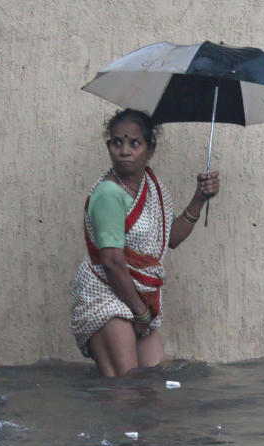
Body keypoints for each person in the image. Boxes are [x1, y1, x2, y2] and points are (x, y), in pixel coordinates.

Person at [70, 109, 220, 377]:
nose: (125, 150)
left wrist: (199, 199)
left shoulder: (153, 187)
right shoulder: (108, 194)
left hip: (138, 299)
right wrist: (141, 313)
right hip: (105, 294)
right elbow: (112, 261)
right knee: (124, 389)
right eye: (117, 143)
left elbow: (169, 239)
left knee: (154, 382)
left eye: (134, 143)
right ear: (109, 147)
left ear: (151, 149)